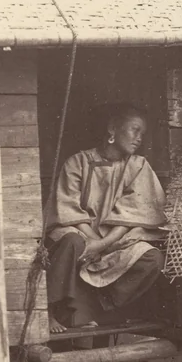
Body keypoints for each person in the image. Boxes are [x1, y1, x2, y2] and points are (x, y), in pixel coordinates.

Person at [45, 103, 170, 334]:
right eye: (134, 129)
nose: (139, 138)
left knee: (151, 258)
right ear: (113, 129)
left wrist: (103, 245)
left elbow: (134, 213)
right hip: (80, 231)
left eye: (142, 133)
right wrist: (92, 241)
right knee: (72, 242)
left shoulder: (139, 166)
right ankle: (49, 311)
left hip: (113, 238)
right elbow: (68, 209)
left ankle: (95, 305)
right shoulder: (77, 162)